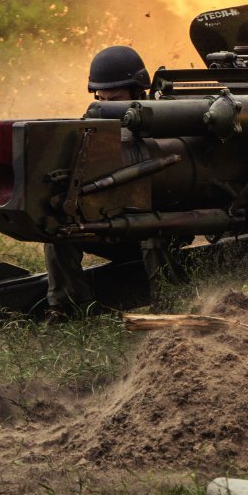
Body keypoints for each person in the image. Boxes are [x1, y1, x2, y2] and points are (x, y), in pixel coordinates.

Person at [44, 46, 151, 316]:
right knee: (59, 231)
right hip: (114, 226)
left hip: (154, 229)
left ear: (138, 93)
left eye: (113, 99)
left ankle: (165, 295)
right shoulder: (95, 122)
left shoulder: (164, 121)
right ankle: (68, 308)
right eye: (100, 98)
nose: (105, 105)